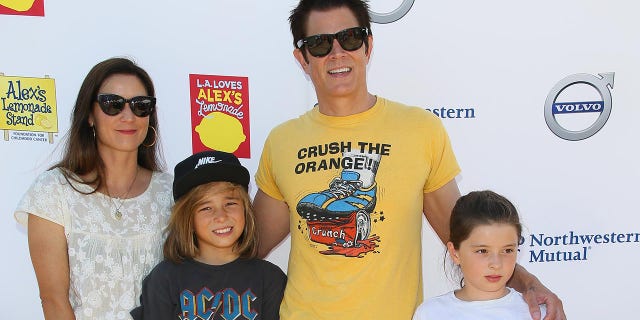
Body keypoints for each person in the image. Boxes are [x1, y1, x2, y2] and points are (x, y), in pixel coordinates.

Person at [253, 0, 565, 319]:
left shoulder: (419, 130)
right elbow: (249, 247)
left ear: (368, 46)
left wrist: (528, 283)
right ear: (302, 59)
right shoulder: (283, 141)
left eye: (350, 38)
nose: (337, 53)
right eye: (319, 44)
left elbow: (465, 236)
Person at [14, 57, 172, 319]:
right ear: (89, 115)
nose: (128, 116)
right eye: (113, 104)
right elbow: (53, 300)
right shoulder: (53, 192)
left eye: (140, 106)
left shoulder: (172, 192)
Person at [131, 150, 286, 320]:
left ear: (245, 210)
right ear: (187, 218)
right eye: (206, 208)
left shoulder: (269, 279)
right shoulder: (164, 279)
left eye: (230, 203)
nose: (220, 216)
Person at [413, 190, 547, 319]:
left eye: (507, 250)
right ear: (455, 253)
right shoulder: (431, 314)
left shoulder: (536, 313)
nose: (496, 264)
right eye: (482, 251)